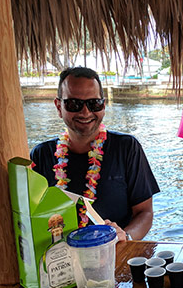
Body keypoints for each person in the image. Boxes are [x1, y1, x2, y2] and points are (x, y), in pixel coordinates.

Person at [31, 67, 160, 241]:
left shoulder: (127, 147)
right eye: (74, 104)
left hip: (114, 253)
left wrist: (126, 237)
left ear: (103, 105)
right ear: (59, 106)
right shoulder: (41, 155)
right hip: (61, 259)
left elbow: (144, 212)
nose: (85, 112)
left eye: (94, 103)